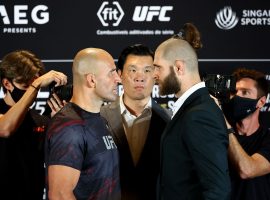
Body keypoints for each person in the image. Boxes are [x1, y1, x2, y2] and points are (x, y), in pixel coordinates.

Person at [153, 23, 231, 199]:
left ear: (179, 68)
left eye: (158, 67)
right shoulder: (192, 108)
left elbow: (218, 191)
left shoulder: (199, 115)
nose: (154, 74)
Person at [45, 48, 122, 200]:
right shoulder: (70, 128)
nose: (118, 79)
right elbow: (59, 195)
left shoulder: (99, 119)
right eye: (111, 73)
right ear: (91, 80)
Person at [100, 44, 171, 200]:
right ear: (119, 75)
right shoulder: (99, 117)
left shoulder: (171, 120)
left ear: (155, 75)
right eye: (133, 70)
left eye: (147, 70)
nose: (140, 77)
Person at [0, 50, 67, 199]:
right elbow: (5, 129)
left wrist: (59, 124)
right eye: (26, 86)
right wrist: (36, 84)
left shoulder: (41, 120)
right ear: (7, 83)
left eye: (35, 86)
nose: (32, 92)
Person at [221, 68, 270, 200]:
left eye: (245, 92)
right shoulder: (217, 137)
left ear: (261, 101)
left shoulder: (267, 139)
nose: (237, 97)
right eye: (234, 92)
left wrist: (224, 124)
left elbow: (247, 170)